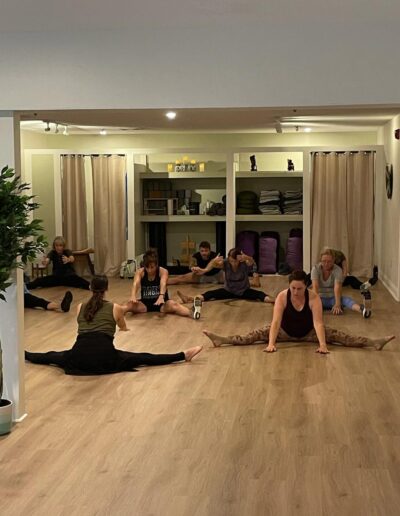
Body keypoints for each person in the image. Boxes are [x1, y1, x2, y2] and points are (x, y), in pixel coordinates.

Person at [25, 275, 203, 375]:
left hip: (78, 356)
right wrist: (124, 329)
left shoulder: (80, 307)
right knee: (143, 357)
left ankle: (23, 354)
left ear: (90, 288)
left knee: (50, 356)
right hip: (105, 357)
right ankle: (182, 355)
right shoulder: (115, 308)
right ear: (106, 289)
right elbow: (122, 326)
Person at [203, 270, 394, 353]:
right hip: (284, 332)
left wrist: (323, 345)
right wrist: (271, 344)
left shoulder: (314, 298)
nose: (295, 292)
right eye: (292, 288)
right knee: (250, 336)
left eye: (299, 288)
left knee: (343, 337)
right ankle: (222, 340)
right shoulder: (282, 296)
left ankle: (374, 343)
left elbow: (318, 323)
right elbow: (276, 322)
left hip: (309, 333)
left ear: (306, 286)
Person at [177, 247, 274, 305]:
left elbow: (251, 262)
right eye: (231, 261)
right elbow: (214, 264)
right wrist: (211, 264)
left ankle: (276, 301)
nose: (233, 263)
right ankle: (190, 299)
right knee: (209, 294)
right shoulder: (226, 262)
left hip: (243, 290)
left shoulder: (243, 262)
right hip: (228, 290)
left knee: (260, 295)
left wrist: (247, 257)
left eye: (235, 261)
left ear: (239, 259)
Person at [124, 249, 199, 318]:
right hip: (145, 304)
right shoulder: (140, 272)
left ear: (156, 265)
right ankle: (119, 312)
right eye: (147, 267)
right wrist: (133, 295)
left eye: (152, 267)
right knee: (130, 305)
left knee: (174, 304)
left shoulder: (163, 271)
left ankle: (192, 312)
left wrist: (161, 295)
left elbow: (163, 283)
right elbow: (136, 283)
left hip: (162, 303)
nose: (149, 270)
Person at [311, 248, 371, 318]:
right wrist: (315, 304)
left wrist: (337, 304)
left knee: (346, 300)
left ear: (333, 261)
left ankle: (362, 310)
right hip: (319, 298)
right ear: (320, 260)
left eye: (329, 261)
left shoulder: (338, 270)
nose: (326, 264)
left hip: (333, 298)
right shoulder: (315, 269)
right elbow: (315, 287)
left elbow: (337, 288)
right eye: (324, 261)